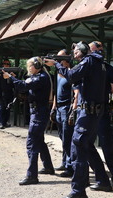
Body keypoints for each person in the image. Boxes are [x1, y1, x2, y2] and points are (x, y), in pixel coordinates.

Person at [45, 41, 111, 198]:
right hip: (93, 111)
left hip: (88, 111)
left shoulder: (88, 61)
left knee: (78, 147)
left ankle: (78, 192)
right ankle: (103, 181)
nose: (74, 55)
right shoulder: (98, 63)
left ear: (83, 51)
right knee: (86, 145)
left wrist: (57, 65)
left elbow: (71, 75)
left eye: (75, 52)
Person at [2, 57, 55, 185]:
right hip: (37, 112)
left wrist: (11, 77)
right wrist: (14, 78)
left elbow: (24, 86)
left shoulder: (41, 77)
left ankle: (32, 176)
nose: (28, 69)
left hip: (38, 113)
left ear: (36, 66)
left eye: (30, 66)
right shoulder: (41, 76)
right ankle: (48, 166)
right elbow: (26, 86)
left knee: (32, 144)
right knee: (39, 141)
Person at [88, 41, 113, 190]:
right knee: (84, 145)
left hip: (102, 112)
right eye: (94, 49)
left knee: (108, 146)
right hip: (86, 112)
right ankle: (99, 177)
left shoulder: (110, 69)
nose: (99, 51)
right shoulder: (85, 68)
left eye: (100, 48)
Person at [50, 49, 74, 177]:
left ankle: (70, 166)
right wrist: (54, 107)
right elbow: (55, 92)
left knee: (67, 138)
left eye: (60, 57)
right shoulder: (58, 73)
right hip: (59, 108)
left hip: (66, 108)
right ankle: (65, 162)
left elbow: (76, 92)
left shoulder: (70, 73)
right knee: (62, 136)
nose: (58, 59)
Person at [0, 59, 14, 129]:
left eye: (8, 64)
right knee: (2, 108)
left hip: (9, 93)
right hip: (2, 93)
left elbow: (14, 84)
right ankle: (1, 123)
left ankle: (5, 122)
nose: (6, 65)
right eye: (5, 63)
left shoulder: (11, 74)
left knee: (8, 108)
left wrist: (13, 77)